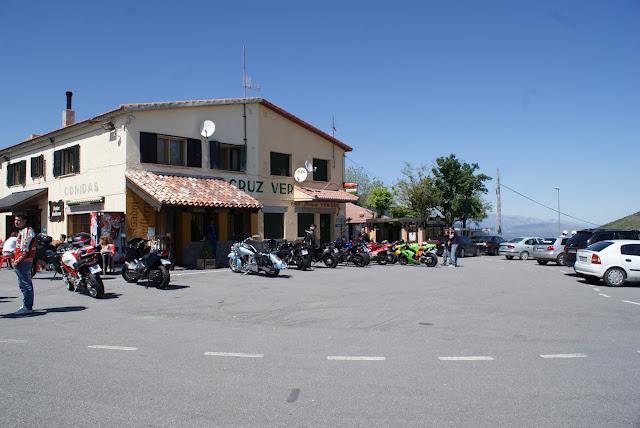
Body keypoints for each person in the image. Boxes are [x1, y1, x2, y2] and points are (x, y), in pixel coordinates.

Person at [12, 213, 36, 315]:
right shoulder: (22, 231)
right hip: (23, 261)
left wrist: (17, 261)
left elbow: (24, 249)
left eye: (19, 220)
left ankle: (27, 306)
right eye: (15, 220)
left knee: (25, 284)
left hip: (23, 262)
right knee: (22, 284)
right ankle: (26, 304)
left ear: (25, 221)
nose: (16, 222)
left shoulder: (26, 231)